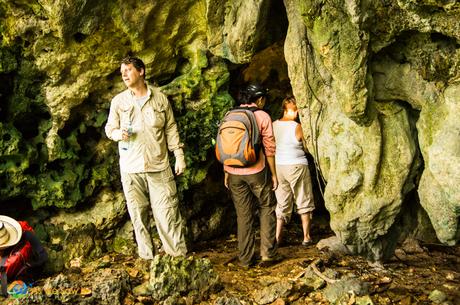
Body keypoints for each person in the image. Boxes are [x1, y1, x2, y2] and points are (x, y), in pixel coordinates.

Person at [105, 56, 187, 258]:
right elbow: (109, 128)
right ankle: (148, 259)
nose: (124, 74)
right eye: (122, 71)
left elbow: (170, 128)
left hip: (159, 166)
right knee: (138, 216)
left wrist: (179, 155)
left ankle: (177, 258)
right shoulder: (119, 101)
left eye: (128, 70)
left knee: (168, 213)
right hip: (131, 169)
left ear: (141, 71)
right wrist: (117, 134)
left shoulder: (160, 98)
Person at [224, 83, 280, 267]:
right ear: (260, 99)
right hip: (256, 171)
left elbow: (226, 147)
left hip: (233, 172)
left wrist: (226, 171)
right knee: (267, 206)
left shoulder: (230, 115)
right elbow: (269, 148)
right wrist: (273, 174)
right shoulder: (262, 116)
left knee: (243, 215)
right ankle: (267, 254)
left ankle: (246, 259)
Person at [272, 96, 315, 246]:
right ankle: (306, 237)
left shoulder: (273, 125)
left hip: (279, 166)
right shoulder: (297, 127)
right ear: (296, 111)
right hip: (296, 165)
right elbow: (307, 148)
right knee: (303, 199)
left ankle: (277, 237)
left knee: (282, 201)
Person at [0, 215, 48, 296]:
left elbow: (43, 256)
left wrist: (30, 264)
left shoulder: (26, 235)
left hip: (25, 270)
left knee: (15, 291)